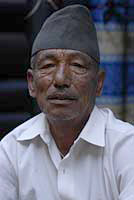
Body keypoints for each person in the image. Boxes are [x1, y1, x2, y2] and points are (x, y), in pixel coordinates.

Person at [0, 1, 134, 200]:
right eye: (48, 65)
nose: (61, 79)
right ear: (31, 83)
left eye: (78, 65)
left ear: (98, 83)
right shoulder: (12, 150)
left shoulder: (126, 148)